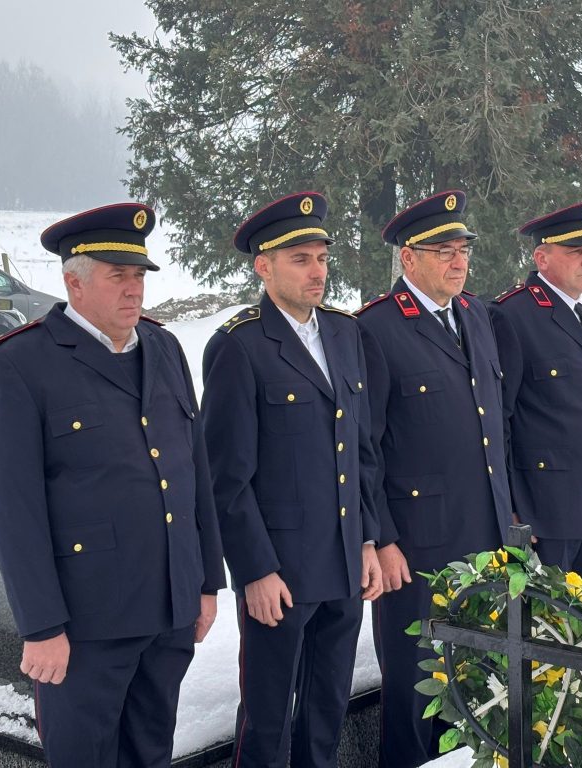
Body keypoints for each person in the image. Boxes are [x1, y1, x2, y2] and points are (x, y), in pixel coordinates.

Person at [0, 203, 225, 767]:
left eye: (138, 275)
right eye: (118, 276)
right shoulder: (21, 363)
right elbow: (13, 511)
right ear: (75, 282)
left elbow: (194, 471)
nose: (134, 289)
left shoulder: (163, 347)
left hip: (169, 611)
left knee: (151, 754)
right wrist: (41, 625)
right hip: (86, 624)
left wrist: (206, 580)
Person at [201, 192, 382, 768]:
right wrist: (254, 569)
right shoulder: (239, 345)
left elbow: (362, 450)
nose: (317, 272)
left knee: (326, 711)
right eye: (301, 260)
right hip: (280, 571)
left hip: (344, 563)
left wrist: (369, 540)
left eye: (322, 259)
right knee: (268, 720)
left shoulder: (345, 334)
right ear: (264, 266)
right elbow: (226, 478)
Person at [355, 189, 512, 768]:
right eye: (443, 251)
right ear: (408, 258)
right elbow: (365, 449)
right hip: (417, 544)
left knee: (476, 680)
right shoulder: (375, 328)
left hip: (484, 533)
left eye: (463, 250)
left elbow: (494, 426)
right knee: (417, 684)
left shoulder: (476, 315)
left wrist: (509, 515)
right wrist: (383, 537)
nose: (458, 261)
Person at [489, 201, 582, 595]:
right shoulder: (513, 314)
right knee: (548, 621)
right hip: (546, 507)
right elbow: (500, 419)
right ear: (542, 258)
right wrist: (512, 505)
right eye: (576, 251)